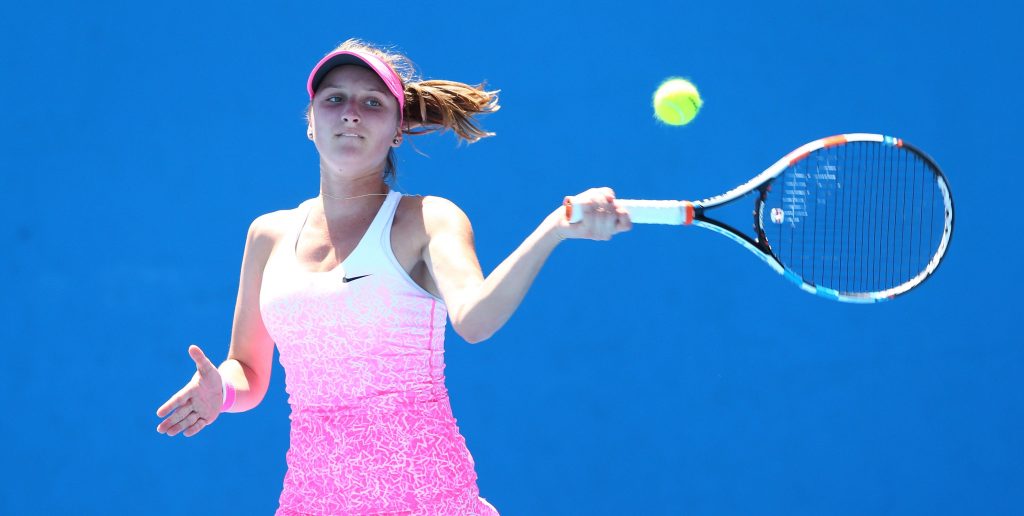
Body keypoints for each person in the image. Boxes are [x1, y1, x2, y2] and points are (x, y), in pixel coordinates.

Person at [155, 38, 631, 515]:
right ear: (310, 123)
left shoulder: (429, 219)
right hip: (309, 502)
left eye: (372, 102)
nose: (350, 113)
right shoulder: (267, 234)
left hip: (430, 501)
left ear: (397, 131)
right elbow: (250, 372)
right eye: (334, 98)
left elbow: (475, 319)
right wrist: (224, 389)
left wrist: (552, 230)